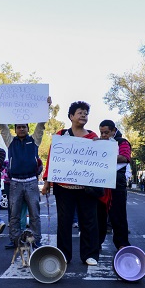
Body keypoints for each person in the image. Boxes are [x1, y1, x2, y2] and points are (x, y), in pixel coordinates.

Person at [41, 101, 101, 265]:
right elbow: (52, 160)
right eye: (80, 112)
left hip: (86, 188)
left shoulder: (93, 137)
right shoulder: (61, 135)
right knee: (64, 222)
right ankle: (64, 255)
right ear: (71, 116)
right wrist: (47, 182)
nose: (83, 115)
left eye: (86, 113)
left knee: (89, 221)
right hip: (63, 187)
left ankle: (90, 255)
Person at [0, 97, 50, 249]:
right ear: (15, 129)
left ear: (27, 128)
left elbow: (41, 125)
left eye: (24, 127)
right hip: (15, 183)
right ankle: (15, 240)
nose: (21, 129)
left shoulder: (34, 140)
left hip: (32, 182)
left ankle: (36, 240)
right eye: (18, 127)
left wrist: (45, 106)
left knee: (35, 214)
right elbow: (2, 126)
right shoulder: (10, 141)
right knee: (14, 215)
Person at [97, 120, 131, 250]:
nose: (104, 135)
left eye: (106, 132)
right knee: (99, 214)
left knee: (118, 214)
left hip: (117, 182)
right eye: (101, 133)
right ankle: (97, 242)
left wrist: (104, 154)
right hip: (101, 182)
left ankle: (122, 243)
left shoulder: (122, 142)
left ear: (113, 131)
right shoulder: (99, 143)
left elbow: (125, 157)